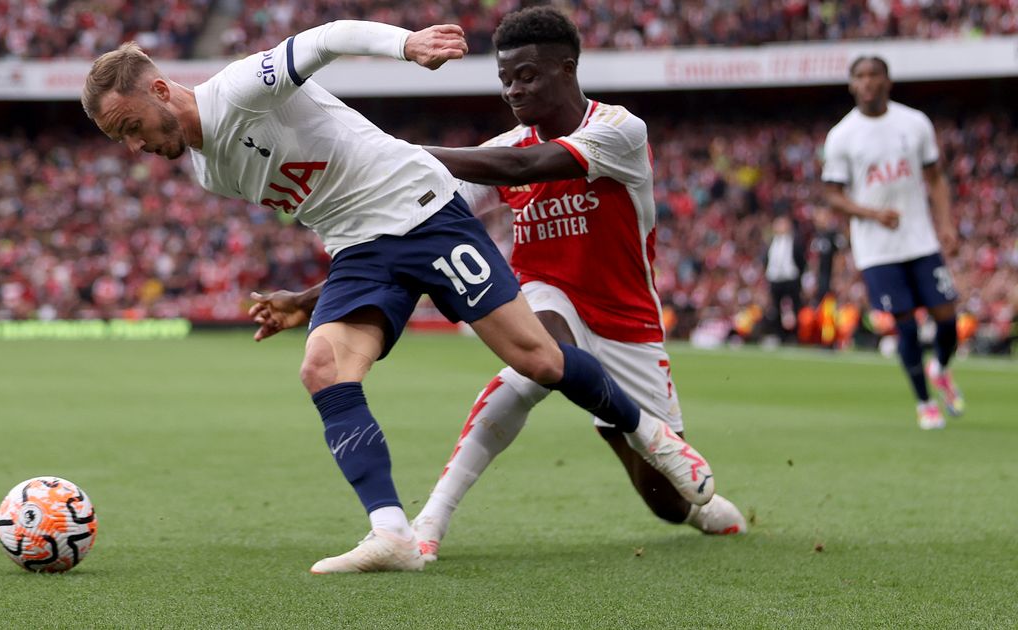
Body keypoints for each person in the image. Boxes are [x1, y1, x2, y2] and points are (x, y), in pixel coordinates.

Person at [82, 19, 715, 573]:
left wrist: (406, 45)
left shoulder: (241, 90)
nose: (135, 148)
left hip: (422, 212)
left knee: (539, 361)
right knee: (323, 368)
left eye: (131, 127)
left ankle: (654, 437)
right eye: (122, 141)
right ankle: (392, 533)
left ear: (160, 91)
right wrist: (306, 300)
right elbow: (329, 199)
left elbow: (327, 39)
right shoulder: (207, 168)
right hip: (358, 248)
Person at [248, 7, 742, 564]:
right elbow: (410, 238)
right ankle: (429, 520)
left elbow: (523, 167)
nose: (512, 89)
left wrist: (396, 155)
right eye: (505, 77)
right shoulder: (502, 146)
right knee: (534, 360)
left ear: (567, 68)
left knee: (668, 506)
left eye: (527, 75)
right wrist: (312, 297)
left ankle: (690, 494)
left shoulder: (619, 130)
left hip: (628, 322)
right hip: (544, 293)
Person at [822, 56, 964, 430]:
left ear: (888, 81)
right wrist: (872, 214)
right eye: (860, 76)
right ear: (852, 84)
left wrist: (946, 224)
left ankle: (941, 367)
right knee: (906, 325)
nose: (868, 82)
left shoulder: (914, 123)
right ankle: (924, 402)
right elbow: (833, 195)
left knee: (947, 317)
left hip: (920, 238)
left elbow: (935, 178)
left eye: (874, 75)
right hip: (877, 249)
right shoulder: (842, 135)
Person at [764, 215, 806, 344]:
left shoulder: (794, 242)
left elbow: (801, 261)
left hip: (791, 278)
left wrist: (798, 276)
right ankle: (780, 335)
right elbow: (767, 260)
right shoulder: (771, 242)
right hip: (776, 279)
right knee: (776, 308)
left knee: (796, 307)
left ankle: (797, 335)